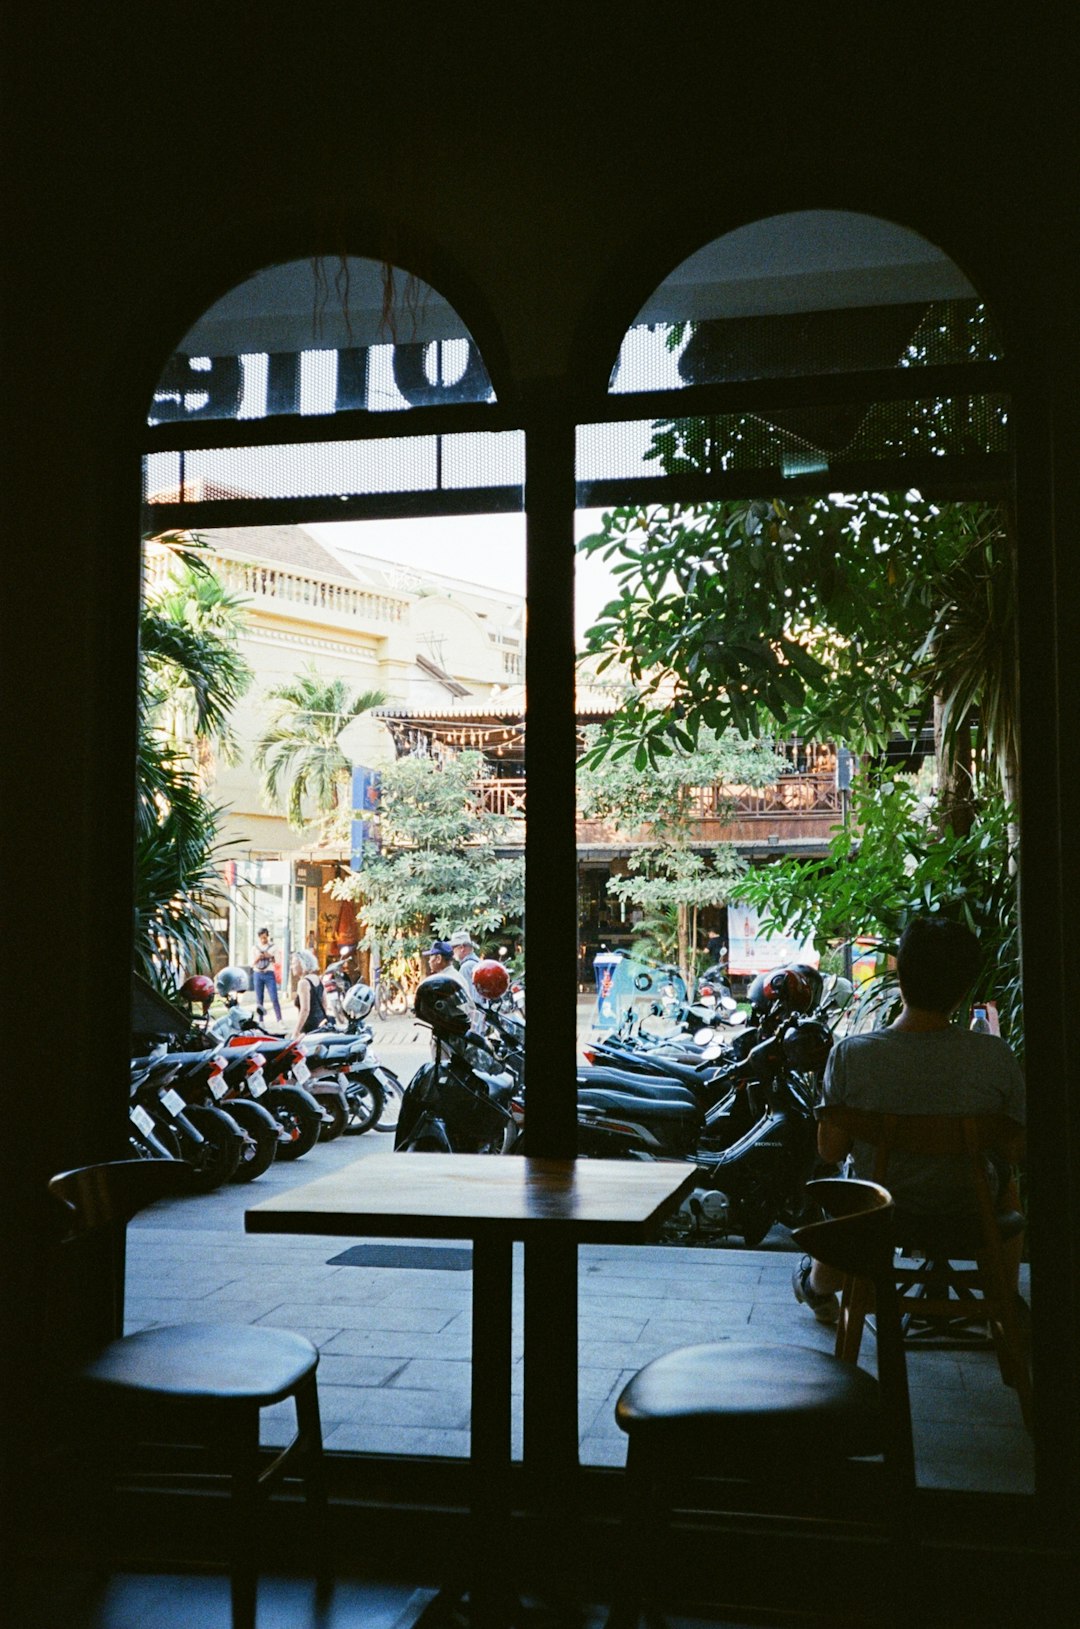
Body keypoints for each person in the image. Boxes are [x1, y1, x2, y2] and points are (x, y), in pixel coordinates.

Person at [793, 914, 1026, 1324]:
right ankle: (1001, 1304)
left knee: (852, 1189)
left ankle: (819, 1284)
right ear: (964, 987)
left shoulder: (853, 1054)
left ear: (899, 972)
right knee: (1006, 1186)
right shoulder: (995, 1057)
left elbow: (829, 1151)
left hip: (878, 1213)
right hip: (970, 1209)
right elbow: (1015, 1149)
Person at [291, 948, 329, 1036]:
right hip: (320, 1025)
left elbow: (305, 1010)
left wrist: (296, 1031)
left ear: (302, 963)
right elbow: (325, 1004)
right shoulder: (317, 979)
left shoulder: (303, 983)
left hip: (309, 1028)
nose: (292, 966)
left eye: (294, 963)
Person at [251, 927, 283, 1023]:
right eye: (262, 938)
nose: (263, 940)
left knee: (274, 997)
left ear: (268, 936)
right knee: (259, 999)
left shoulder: (273, 947)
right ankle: (261, 1021)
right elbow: (251, 963)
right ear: (259, 937)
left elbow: (278, 961)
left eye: (265, 937)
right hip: (258, 973)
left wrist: (269, 956)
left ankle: (279, 1019)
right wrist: (258, 957)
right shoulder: (255, 948)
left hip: (269, 973)